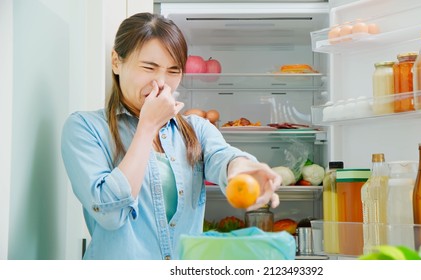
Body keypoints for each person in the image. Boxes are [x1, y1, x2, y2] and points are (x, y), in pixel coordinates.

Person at [61, 12, 282, 260]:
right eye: (149, 67)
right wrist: (147, 126)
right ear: (116, 61)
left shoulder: (196, 129)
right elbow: (111, 214)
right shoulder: (85, 128)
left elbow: (224, 157)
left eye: (173, 71)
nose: (161, 83)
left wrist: (243, 169)